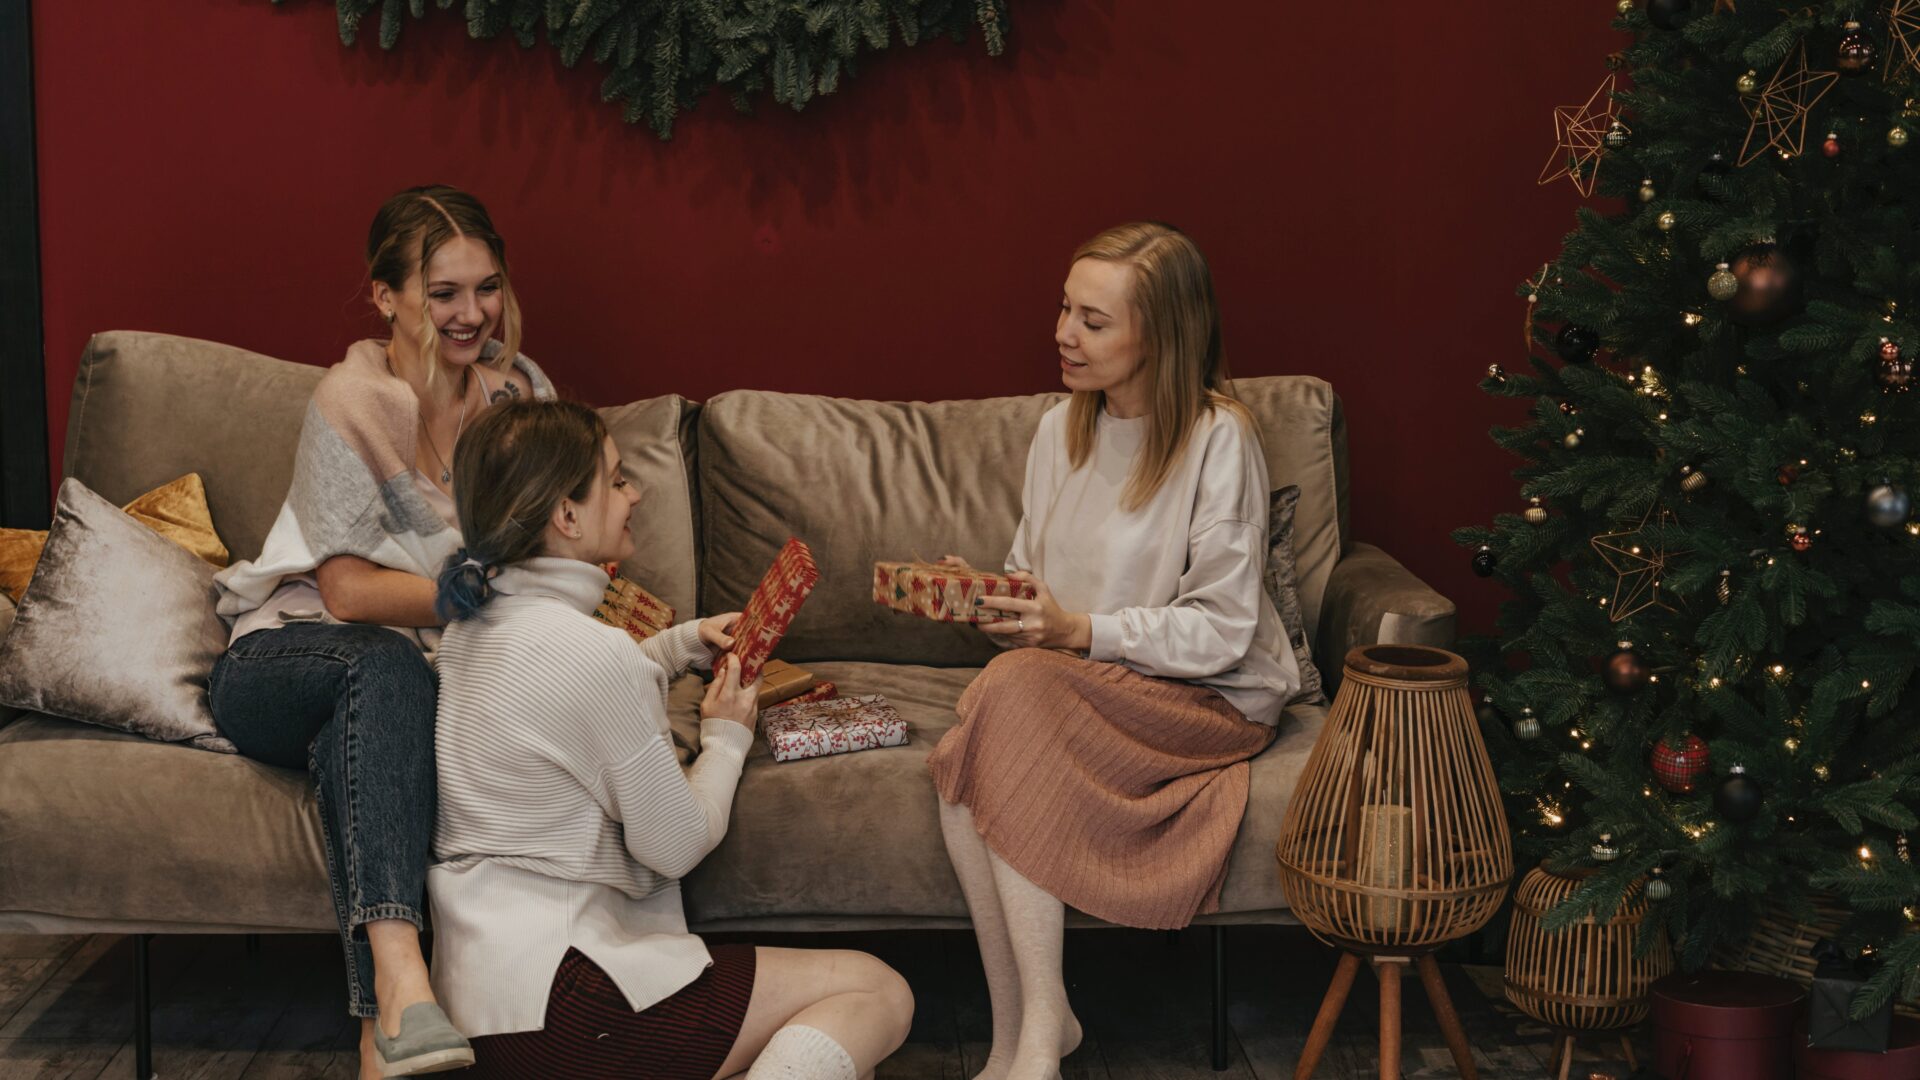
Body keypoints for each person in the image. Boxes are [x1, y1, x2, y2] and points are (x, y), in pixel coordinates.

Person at [429, 399, 914, 1079]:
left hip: (483, 1003)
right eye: (618, 480)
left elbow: (557, 702)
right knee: (877, 991)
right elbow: (675, 844)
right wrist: (726, 738)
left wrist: (676, 645)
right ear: (566, 516)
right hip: (574, 1003)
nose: (636, 494)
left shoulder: (469, 634)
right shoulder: (594, 654)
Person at [927, 222, 1300, 1080]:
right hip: (1089, 677)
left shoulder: (1218, 439)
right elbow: (1037, 580)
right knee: (960, 769)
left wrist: (1078, 633)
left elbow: (1222, 629)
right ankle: (1026, 1032)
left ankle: (1035, 1048)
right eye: (1064, 309)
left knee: (1001, 707)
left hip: (1208, 697)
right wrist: (996, 600)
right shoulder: (1059, 428)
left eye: (1093, 320)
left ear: (1161, 336)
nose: (1062, 333)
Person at [211, 185, 550, 1077]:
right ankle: (405, 978)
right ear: (387, 296)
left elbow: (560, 526)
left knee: (367, 733)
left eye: (486, 287)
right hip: (282, 656)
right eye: (443, 293)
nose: (471, 313)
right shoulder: (350, 400)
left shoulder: (517, 393)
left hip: (393, 682)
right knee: (385, 670)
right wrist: (471, 594)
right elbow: (350, 591)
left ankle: (388, 1027)